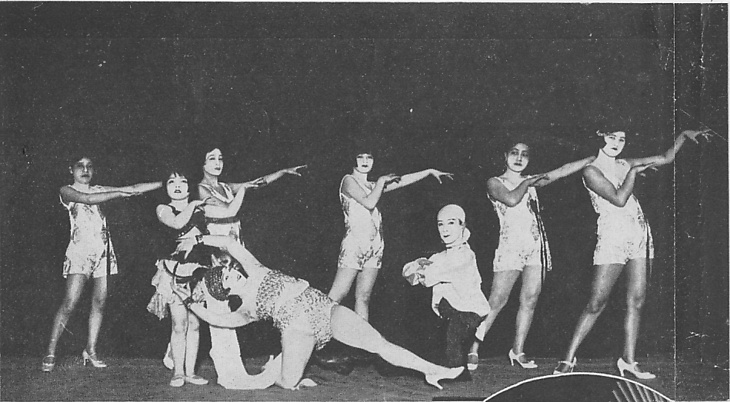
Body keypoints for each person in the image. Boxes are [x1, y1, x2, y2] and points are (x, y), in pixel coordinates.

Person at [172, 235, 465, 390]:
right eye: (227, 276)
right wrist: (189, 303)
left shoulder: (255, 268)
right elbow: (218, 319)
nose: (232, 272)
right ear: (225, 290)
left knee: (379, 344)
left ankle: (431, 370)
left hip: (324, 309)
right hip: (298, 331)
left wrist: (197, 240)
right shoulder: (245, 310)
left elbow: (229, 243)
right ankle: (278, 370)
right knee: (289, 383)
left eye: (229, 269)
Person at [553, 129, 711, 378]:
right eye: (612, 137)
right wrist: (635, 172)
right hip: (612, 238)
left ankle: (628, 360)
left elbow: (665, 157)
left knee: (636, 300)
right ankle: (568, 359)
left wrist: (683, 135)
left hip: (639, 233)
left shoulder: (625, 163)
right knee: (596, 302)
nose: (617, 143)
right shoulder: (591, 170)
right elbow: (619, 199)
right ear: (601, 137)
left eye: (622, 139)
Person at [467, 141, 596, 371]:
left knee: (530, 299)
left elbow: (561, 171)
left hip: (536, 246)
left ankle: (517, 350)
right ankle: (473, 348)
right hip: (510, 247)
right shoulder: (495, 182)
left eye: (524, 154)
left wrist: (591, 159)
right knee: (497, 300)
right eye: (514, 153)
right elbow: (511, 199)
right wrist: (527, 182)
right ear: (505, 155)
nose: (519, 158)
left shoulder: (532, 180)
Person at [196, 146, 306, 388]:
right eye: (211, 158)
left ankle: (178, 356)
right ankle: (225, 366)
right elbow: (230, 211)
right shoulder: (202, 189)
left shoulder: (225, 186)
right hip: (217, 251)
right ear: (201, 164)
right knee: (217, 305)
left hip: (234, 249)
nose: (218, 162)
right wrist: (244, 189)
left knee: (229, 304)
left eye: (220, 158)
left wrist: (282, 171)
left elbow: (258, 182)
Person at [42, 156, 161, 372]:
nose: (85, 170)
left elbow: (133, 189)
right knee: (69, 302)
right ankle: (50, 351)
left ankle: (91, 349)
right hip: (79, 252)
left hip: (104, 252)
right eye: (80, 166)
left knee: (100, 302)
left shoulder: (100, 189)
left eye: (89, 166)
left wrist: (164, 182)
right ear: (71, 169)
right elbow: (87, 199)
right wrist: (120, 192)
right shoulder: (66, 191)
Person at [146, 169, 251, 387]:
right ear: (165, 187)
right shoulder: (163, 208)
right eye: (171, 182)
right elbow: (177, 223)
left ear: (190, 185)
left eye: (183, 181)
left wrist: (243, 189)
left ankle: (190, 372)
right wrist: (194, 204)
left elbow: (230, 211)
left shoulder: (202, 208)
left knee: (195, 324)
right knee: (179, 324)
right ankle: (178, 372)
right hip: (175, 270)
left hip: (199, 271)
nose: (177, 185)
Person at [329, 151, 454, 322]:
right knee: (337, 295)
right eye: (360, 157)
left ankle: (364, 338)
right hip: (354, 245)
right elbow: (369, 202)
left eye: (369, 157)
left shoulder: (372, 185)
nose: (365, 161)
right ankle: (311, 332)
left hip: (375, 246)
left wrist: (428, 171)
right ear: (353, 159)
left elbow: (401, 181)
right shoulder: (348, 180)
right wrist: (381, 182)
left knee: (363, 298)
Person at [403, 204, 490, 378]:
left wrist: (422, 270)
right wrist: (415, 267)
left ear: (462, 226)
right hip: (448, 310)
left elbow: (431, 277)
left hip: (470, 311)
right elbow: (410, 276)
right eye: (440, 224)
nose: (445, 229)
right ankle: (448, 370)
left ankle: (457, 373)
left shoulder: (466, 255)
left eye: (451, 223)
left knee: (453, 335)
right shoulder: (439, 256)